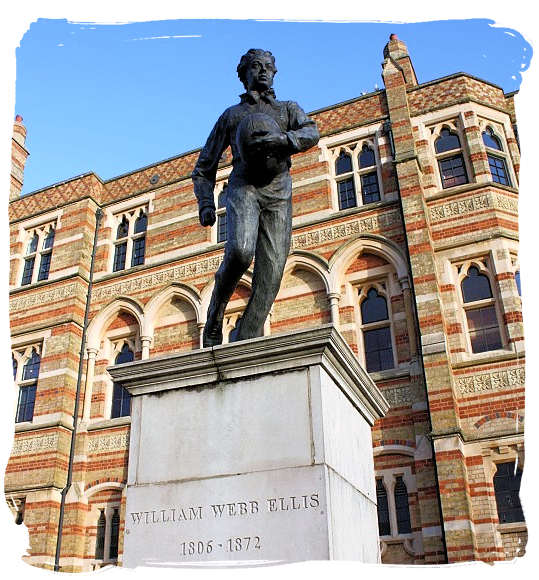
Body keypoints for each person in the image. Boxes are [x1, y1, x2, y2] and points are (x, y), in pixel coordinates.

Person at [192, 49, 319, 347]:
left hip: (278, 190)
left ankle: (245, 339)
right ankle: (214, 315)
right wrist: (206, 204)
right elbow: (203, 168)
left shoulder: (288, 110)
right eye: (256, 67)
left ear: (275, 73)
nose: (263, 71)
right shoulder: (232, 116)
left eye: (268, 67)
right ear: (244, 74)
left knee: (272, 271)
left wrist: (285, 140)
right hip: (244, 187)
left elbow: (311, 132)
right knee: (240, 252)